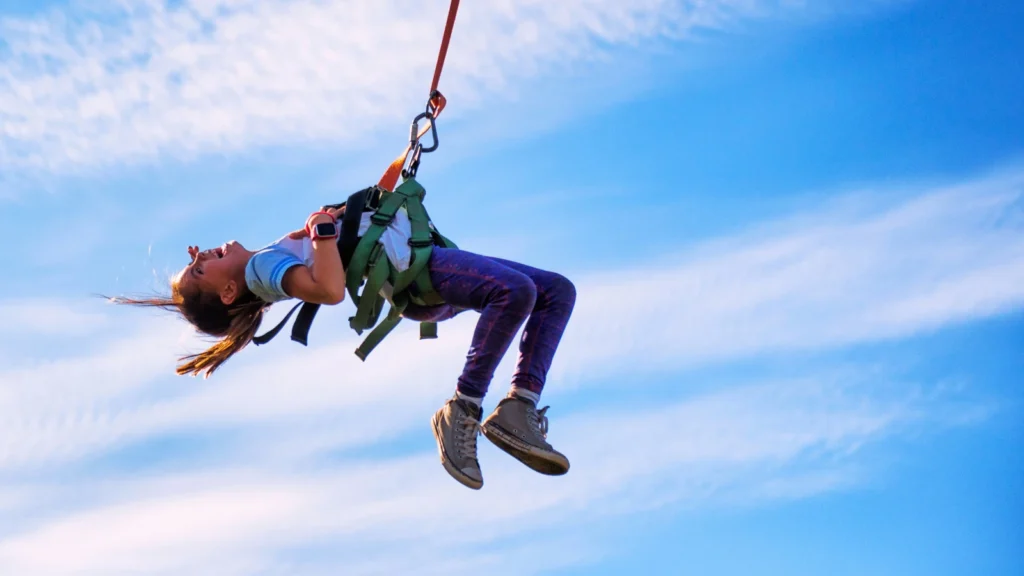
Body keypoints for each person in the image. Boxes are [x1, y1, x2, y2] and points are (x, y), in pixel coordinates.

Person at [113, 204, 577, 490]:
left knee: (555, 291)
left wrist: (336, 219)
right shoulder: (261, 270)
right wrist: (322, 232)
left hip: (416, 262)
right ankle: (465, 405)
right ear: (229, 293)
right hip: (416, 272)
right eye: (198, 271)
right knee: (515, 292)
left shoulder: (268, 258)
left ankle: (519, 407)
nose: (201, 255)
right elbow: (329, 289)